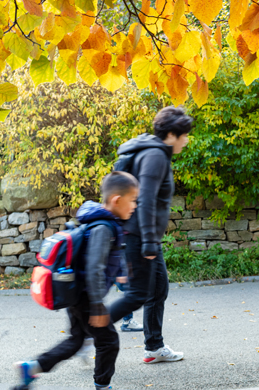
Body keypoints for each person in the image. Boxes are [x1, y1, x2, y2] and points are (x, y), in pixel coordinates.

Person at [15, 171, 139, 390]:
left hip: (77, 293)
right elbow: (94, 266)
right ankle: (102, 386)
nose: (135, 206)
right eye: (133, 200)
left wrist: (120, 270)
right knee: (109, 342)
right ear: (117, 200)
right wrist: (97, 306)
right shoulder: (104, 227)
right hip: (86, 297)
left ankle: (31, 368)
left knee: (76, 340)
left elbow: (103, 256)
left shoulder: (101, 223)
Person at [109, 106, 193, 364]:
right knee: (138, 294)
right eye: (184, 135)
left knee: (157, 290)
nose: (187, 140)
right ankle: (89, 329)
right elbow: (144, 200)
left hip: (143, 235)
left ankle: (153, 346)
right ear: (171, 134)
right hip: (139, 236)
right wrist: (148, 241)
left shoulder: (153, 151)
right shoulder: (156, 156)